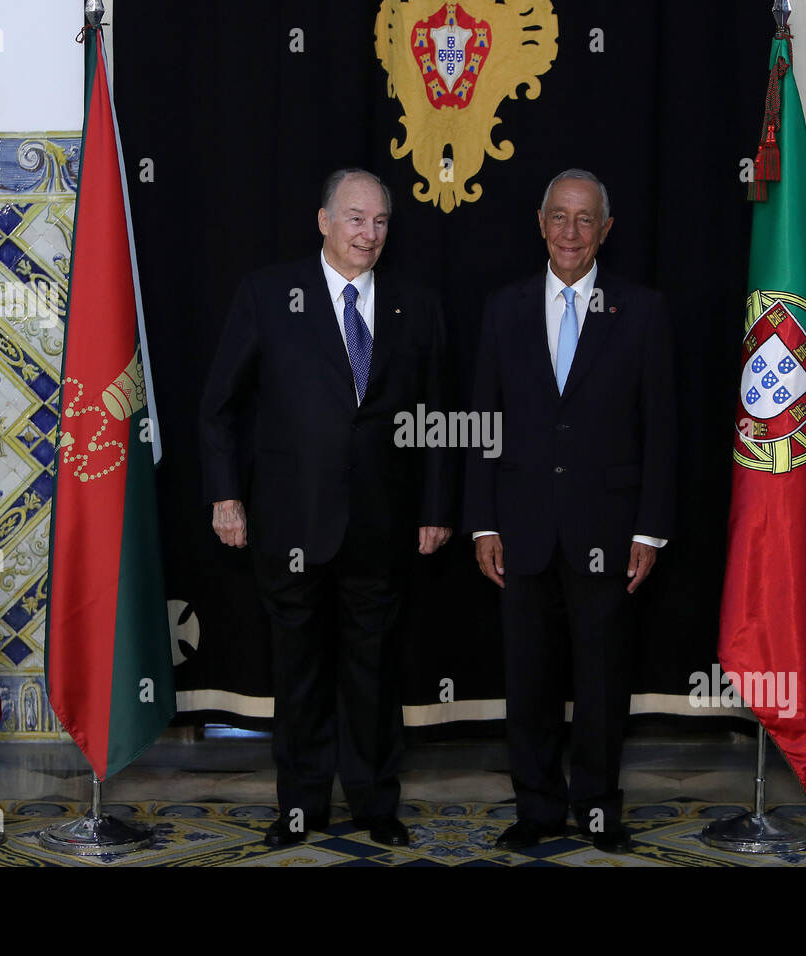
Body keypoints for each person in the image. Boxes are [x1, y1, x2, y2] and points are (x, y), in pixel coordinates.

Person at [200, 168, 454, 847]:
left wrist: (436, 505)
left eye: (379, 222)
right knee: (300, 672)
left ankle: (376, 804)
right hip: (289, 523)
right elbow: (219, 408)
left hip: (384, 524)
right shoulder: (265, 294)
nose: (367, 233)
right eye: (354, 218)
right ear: (323, 221)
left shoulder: (415, 302)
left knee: (373, 673)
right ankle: (300, 807)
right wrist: (226, 495)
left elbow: (435, 417)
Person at [464, 169, 676, 853]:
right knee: (528, 679)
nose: (571, 232)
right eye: (560, 217)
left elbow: (662, 429)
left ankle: (596, 809)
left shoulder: (642, 311)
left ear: (606, 230)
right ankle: (536, 809)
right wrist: (483, 521)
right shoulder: (504, 308)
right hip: (519, 528)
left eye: (585, 220)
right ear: (540, 222)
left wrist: (649, 528)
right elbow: (482, 423)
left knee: (602, 680)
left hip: (609, 530)